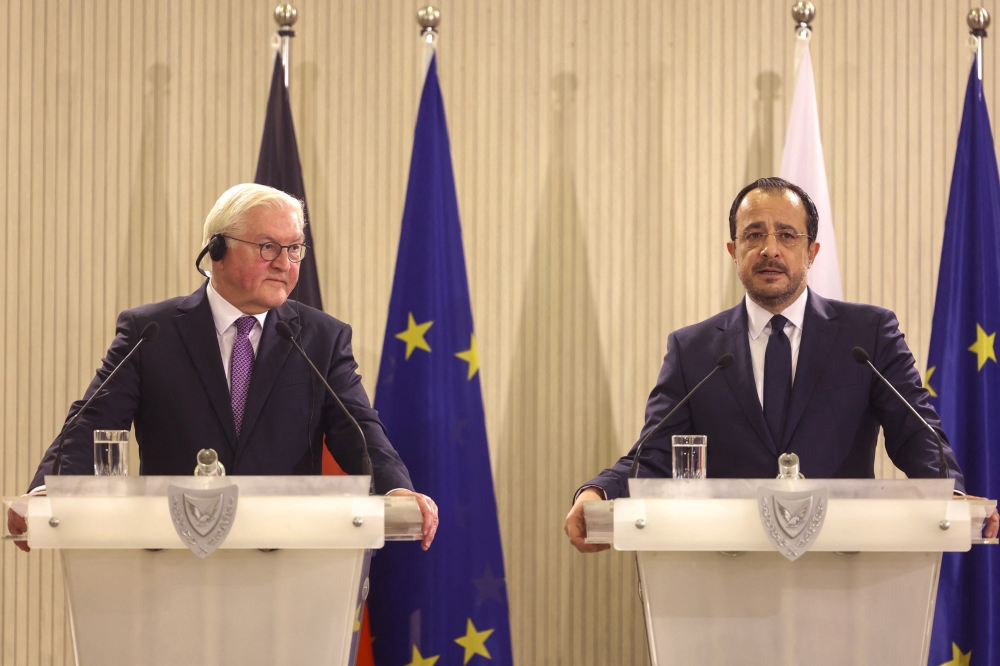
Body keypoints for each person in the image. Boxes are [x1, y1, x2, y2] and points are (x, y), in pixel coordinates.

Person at [565, 177, 999, 552]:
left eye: (787, 235)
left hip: (842, 566)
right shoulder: (693, 350)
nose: (770, 249)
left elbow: (916, 433)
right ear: (734, 251)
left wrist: (951, 494)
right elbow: (654, 455)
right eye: (754, 235)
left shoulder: (867, 335)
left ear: (811, 252)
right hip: (728, 572)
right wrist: (598, 491)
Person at [10, 184, 438, 552]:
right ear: (217, 251)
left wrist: (395, 487)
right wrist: (50, 490)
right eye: (268, 247)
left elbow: (358, 428)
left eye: (294, 248)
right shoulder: (151, 331)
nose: (285, 263)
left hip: (285, 556)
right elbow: (94, 420)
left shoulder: (320, 338)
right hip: (173, 553)